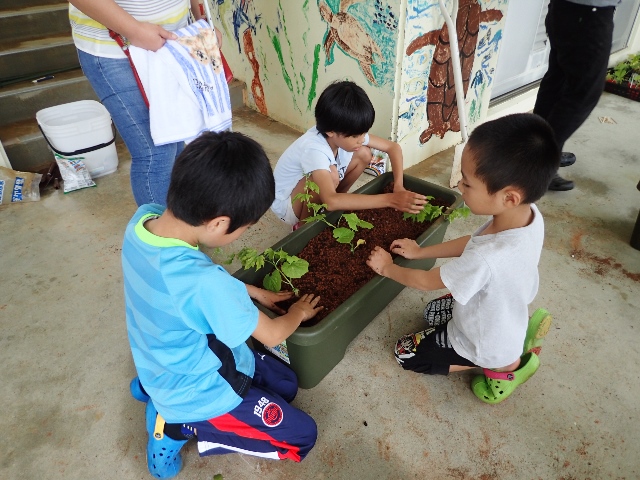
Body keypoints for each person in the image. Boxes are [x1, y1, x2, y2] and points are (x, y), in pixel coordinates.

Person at [122, 131, 322, 478]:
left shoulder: (143, 220)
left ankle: (151, 388)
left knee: (287, 385)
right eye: (244, 228)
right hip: (195, 390)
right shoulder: (205, 284)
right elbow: (273, 334)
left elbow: (193, 285)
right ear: (218, 223)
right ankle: (176, 425)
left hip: (163, 353)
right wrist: (297, 312)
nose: (243, 234)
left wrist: (255, 293)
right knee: (303, 436)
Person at [366, 113, 559, 404]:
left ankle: (502, 367)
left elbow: (426, 281)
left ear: (509, 197)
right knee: (432, 313)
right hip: (501, 313)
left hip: (482, 341)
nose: (458, 186)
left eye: (467, 184)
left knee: (404, 353)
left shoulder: (488, 259)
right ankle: (516, 339)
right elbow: (474, 242)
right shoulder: (528, 217)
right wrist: (421, 251)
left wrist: (388, 268)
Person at [68, 0, 220, 206]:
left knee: (176, 141)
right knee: (156, 153)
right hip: (113, 47)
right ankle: (161, 236)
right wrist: (133, 30)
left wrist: (201, 19)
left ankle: (181, 223)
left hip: (175, 42)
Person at [271, 80, 428, 227]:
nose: (361, 139)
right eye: (355, 136)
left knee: (364, 154)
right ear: (330, 131)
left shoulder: (346, 132)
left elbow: (393, 148)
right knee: (331, 176)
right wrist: (391, 200)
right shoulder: (314, 149)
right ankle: (305, 227)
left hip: (319, 194)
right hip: (288, 206)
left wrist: (398, 186)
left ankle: (332, 208)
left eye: (363, 133)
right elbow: (331, 200)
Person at [533, 0, 619, 191]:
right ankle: (538, 162)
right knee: (584, 93)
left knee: (558, 82)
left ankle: (536, 149)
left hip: (566, 8)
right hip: (589, 13)